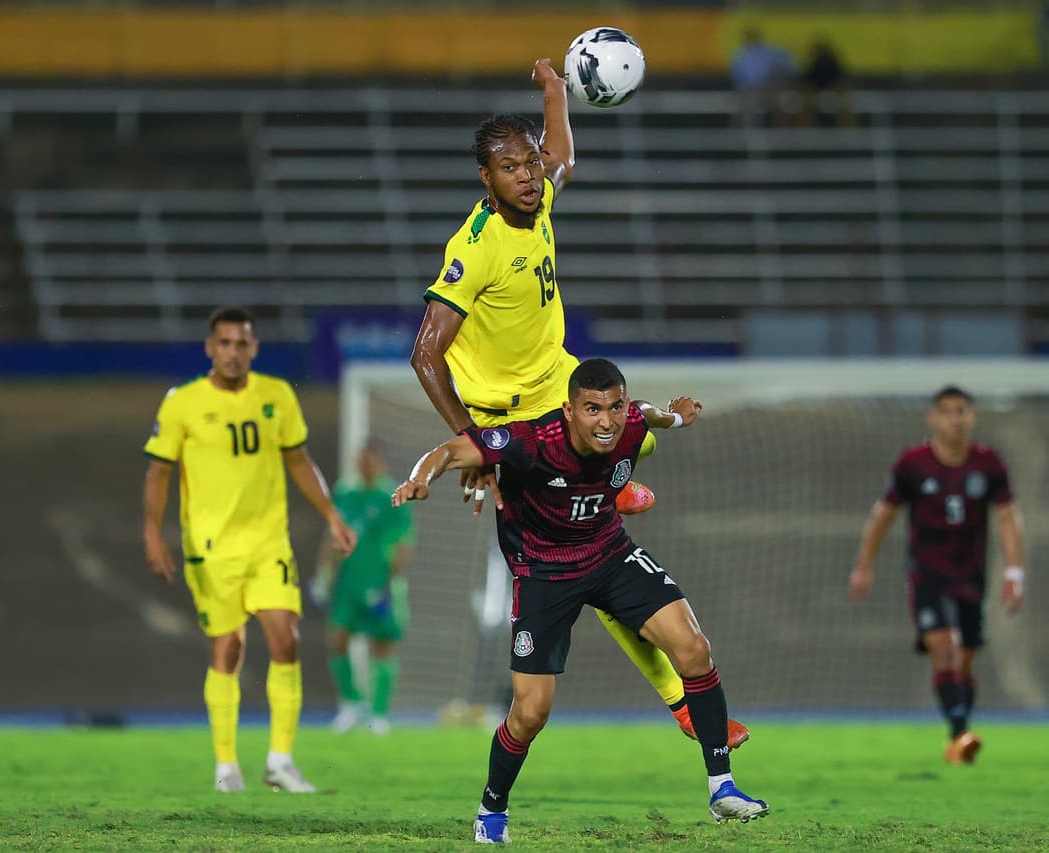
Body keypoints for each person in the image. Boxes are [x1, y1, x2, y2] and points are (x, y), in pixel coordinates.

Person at [410, 58, 748, 751]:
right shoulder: (473, 251)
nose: (529, 176)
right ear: (487, 180)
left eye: (529, 163)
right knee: (586, 563)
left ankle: (607, 486)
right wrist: (474, 441)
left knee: (639, 431)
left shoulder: (541, 198)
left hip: (555, 382)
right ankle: (681, 705)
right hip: (512, 415)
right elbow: (424, 354)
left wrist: (555, 91)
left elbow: (564, 155)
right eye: (511, 168)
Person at [392, 358, 769, 843]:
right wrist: (421, 476)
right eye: (592, 409)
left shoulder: (630, 424)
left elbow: (647, 414)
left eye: (614, 407)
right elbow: (449, 451)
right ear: (569, 411)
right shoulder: (530, 443)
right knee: (531, 713)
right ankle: (491, 810)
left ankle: (723, 788)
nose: (606, 421)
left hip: (610, 554)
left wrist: (675, 417)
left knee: (694, 648)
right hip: (545, 573)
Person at [142, 305, 357, 792]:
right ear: (209, 348)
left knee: (287, 639)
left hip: (267, 542)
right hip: (211, 548)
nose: (233, 352)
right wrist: (153, 534)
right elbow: (159, 471)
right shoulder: (183, 403)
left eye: (242, 344)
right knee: (228, 648)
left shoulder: (276, 396)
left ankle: (279, 762)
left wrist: (332, 516)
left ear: (254, 348)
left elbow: (299, 461)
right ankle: (226, 767)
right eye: (225, 343)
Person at [848, 385, 1025, 765]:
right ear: (933, 418)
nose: (954, 418)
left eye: (961, 411)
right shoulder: (913, 464)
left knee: (964, 659)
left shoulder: (988, 464)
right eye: (947, 411)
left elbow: (1008, 517)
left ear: (972, 417)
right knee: (944, 649)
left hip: (972, 576)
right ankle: (961, 735)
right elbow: (884, 515)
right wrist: (864, 566)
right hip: (927, 575)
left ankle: (957, 735)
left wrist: (1014, 571)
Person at [312, 440, 414, 736]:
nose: (365, 465)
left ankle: (379, 714)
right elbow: (332, 536)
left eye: (370, 460)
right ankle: (351, 704)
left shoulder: (391, 495)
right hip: (348, 582)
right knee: (337, 640)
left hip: (378, 581)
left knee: (381, 647)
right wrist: (323, 575)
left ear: (380, 462)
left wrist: (392, 581)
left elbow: (402, 542)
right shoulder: (345, 493)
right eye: (361, 459)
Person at [729, 28, 796, 128]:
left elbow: (790, 69)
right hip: (749, 90)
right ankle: (748, 138)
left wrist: (776, 82)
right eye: (750, 38)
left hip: (772, 89)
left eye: (754, 37)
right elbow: (737, 76)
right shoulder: (740, 54)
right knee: (745, 107)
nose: (752, 40)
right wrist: (746, 88)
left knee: (784, 104)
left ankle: (783, 137)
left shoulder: (771, 51)